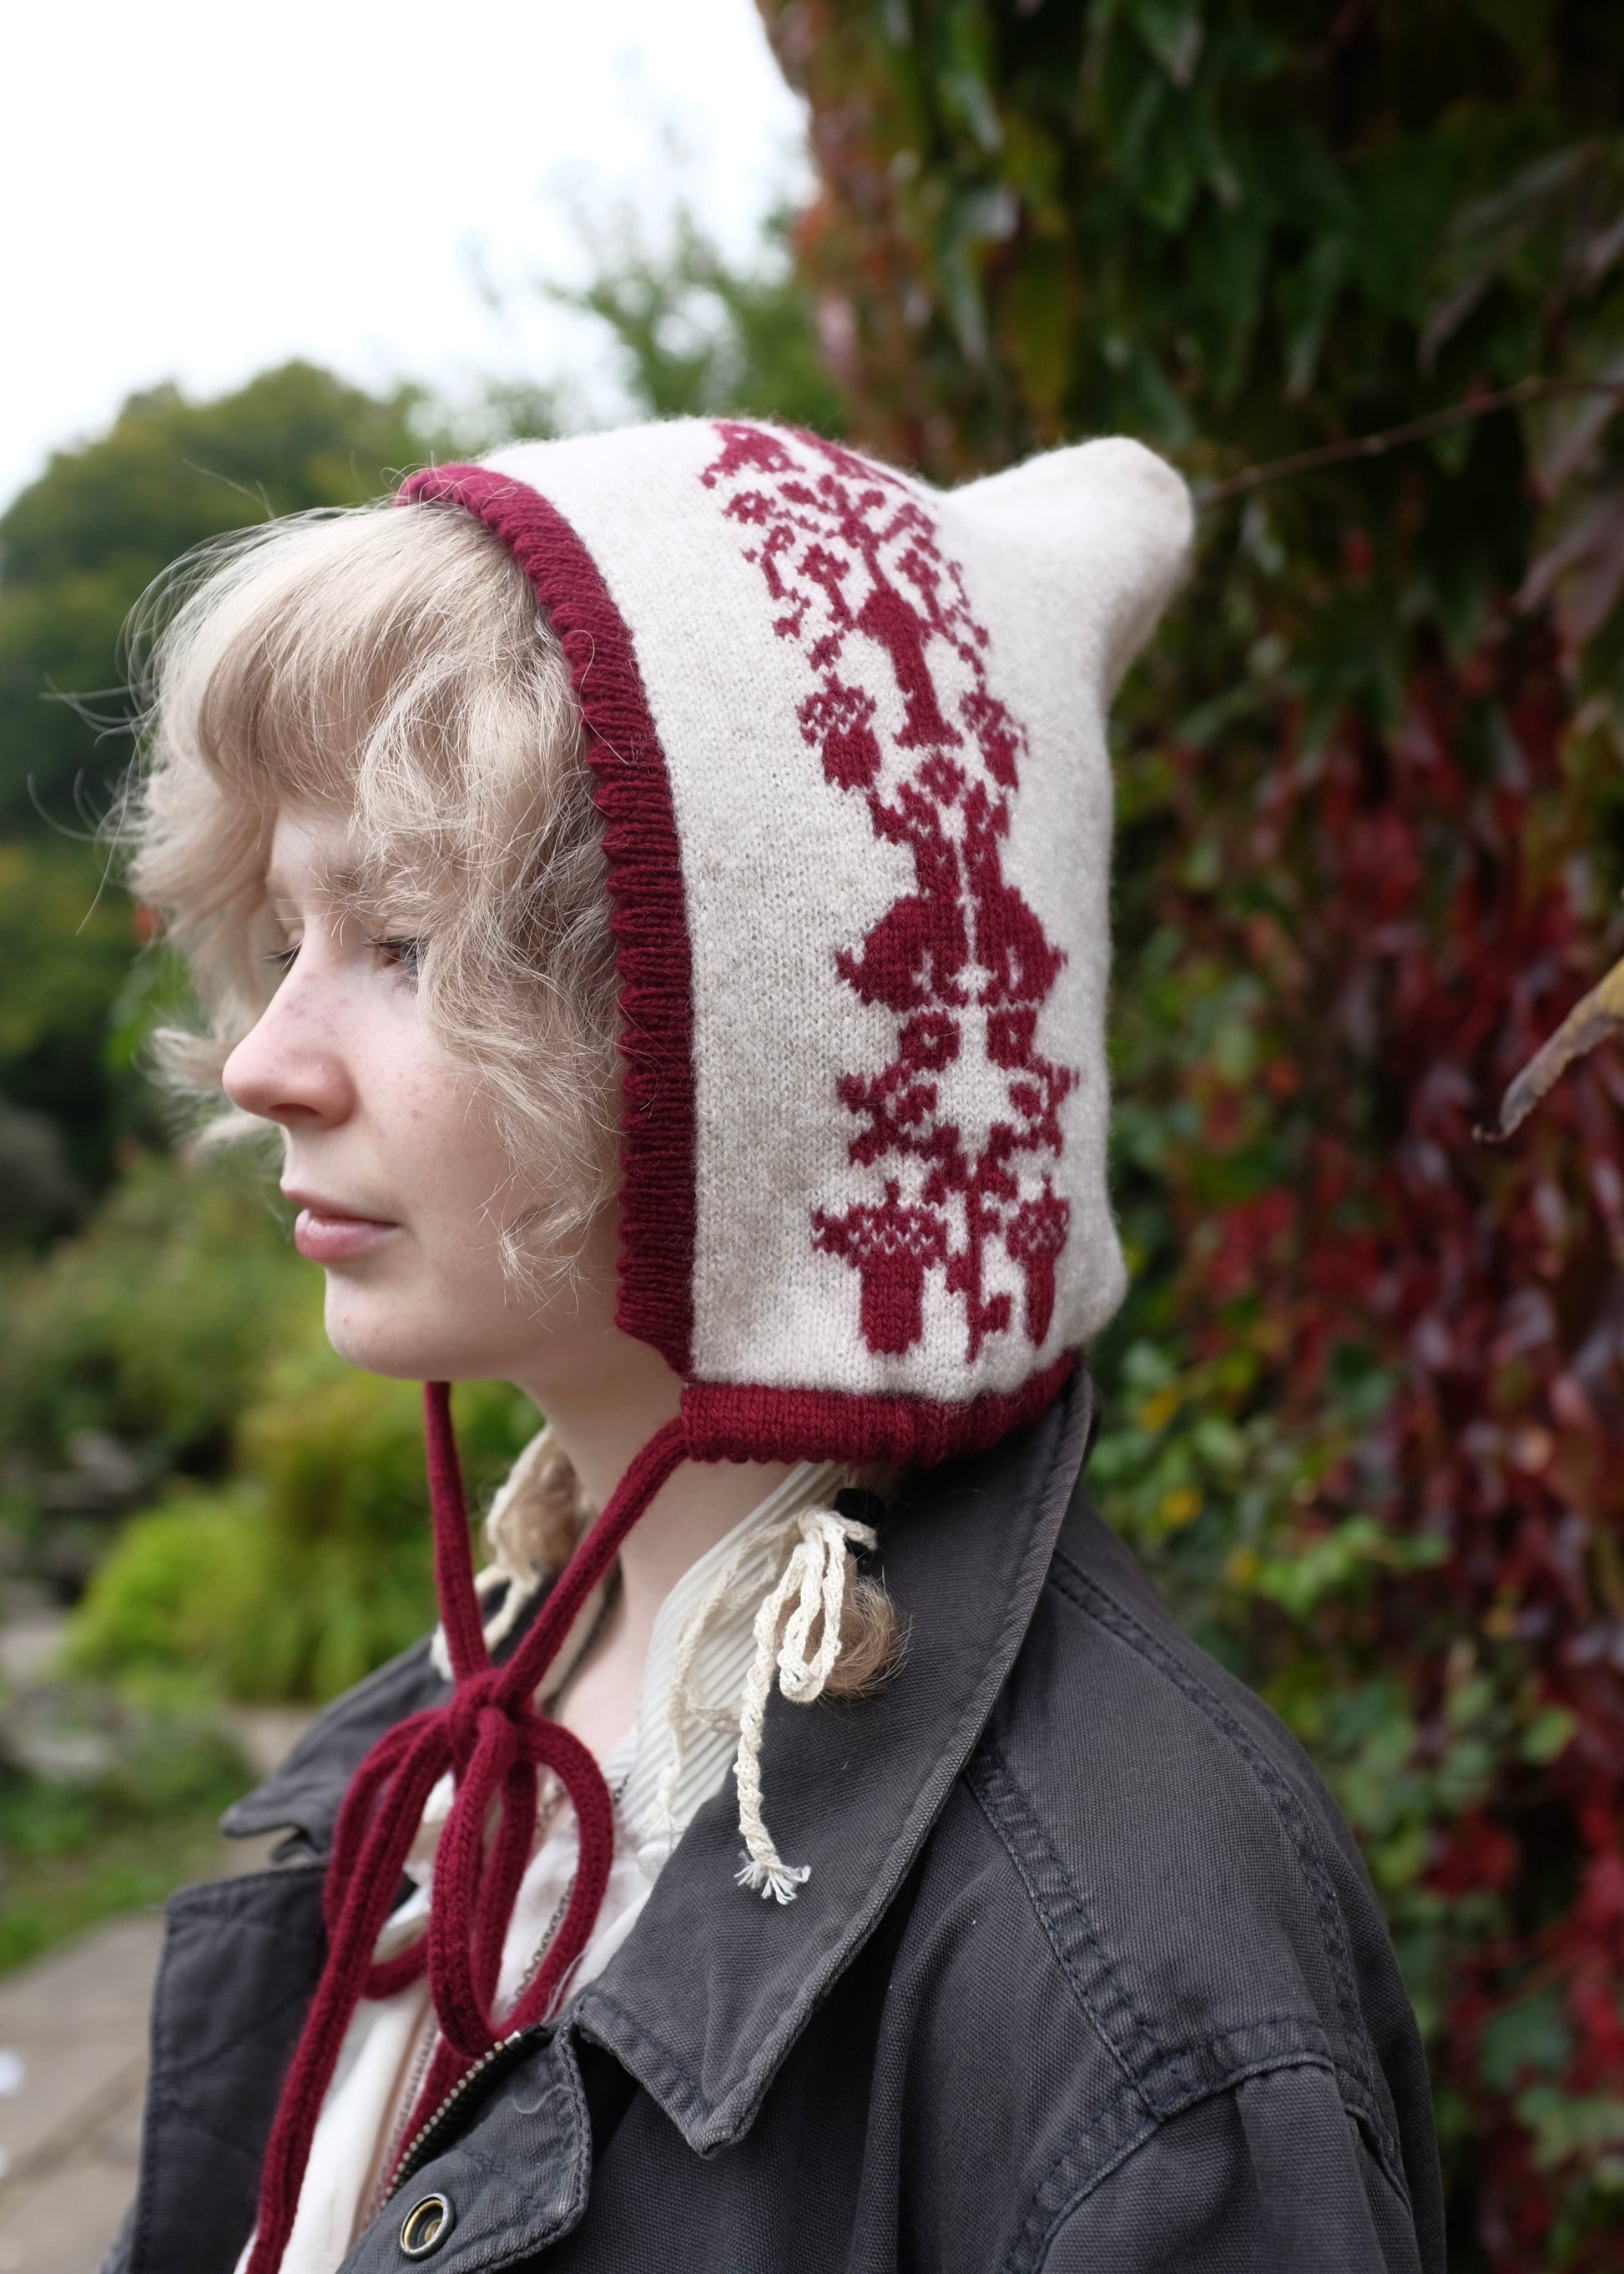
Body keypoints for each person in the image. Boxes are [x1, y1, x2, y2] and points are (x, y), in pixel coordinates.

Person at [103, 417, 1443, 2274]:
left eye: (403, 941)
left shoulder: (1130, 1992)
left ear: (770, 1049)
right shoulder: (488, 1713)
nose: (263, 1057)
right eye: (284, 929)